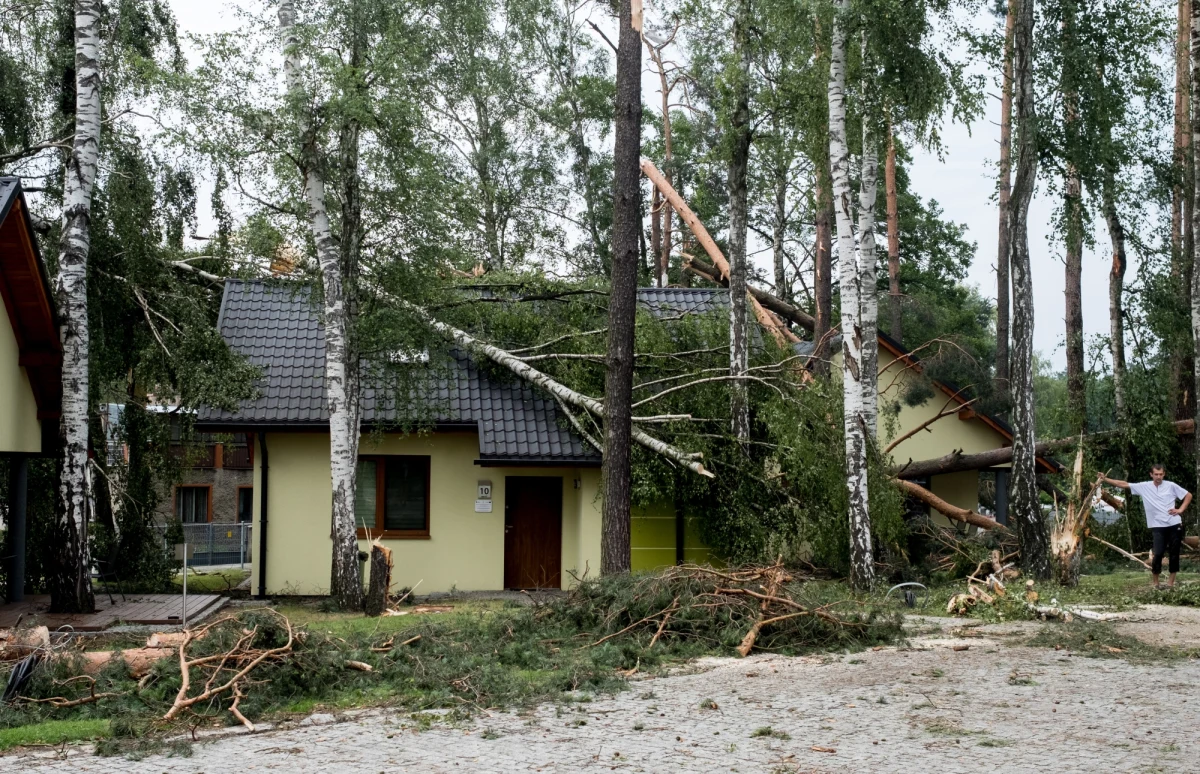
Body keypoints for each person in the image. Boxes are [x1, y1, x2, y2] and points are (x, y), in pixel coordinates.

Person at [1102, 465, 1192, 589]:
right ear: (1151, 474)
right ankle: (1156, 583)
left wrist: (1180, 509)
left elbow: (1188, 495)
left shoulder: (1171, 485)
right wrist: (1106, 479)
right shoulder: (1144, 486)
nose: (1158, 477)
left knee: (1174, 553)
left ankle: (1170, 584)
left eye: (1161, 474)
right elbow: (1123, 484)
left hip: (1174, 523)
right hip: (1157, 526)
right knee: (1158, 553)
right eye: (1156, 474)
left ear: (1164, 474)